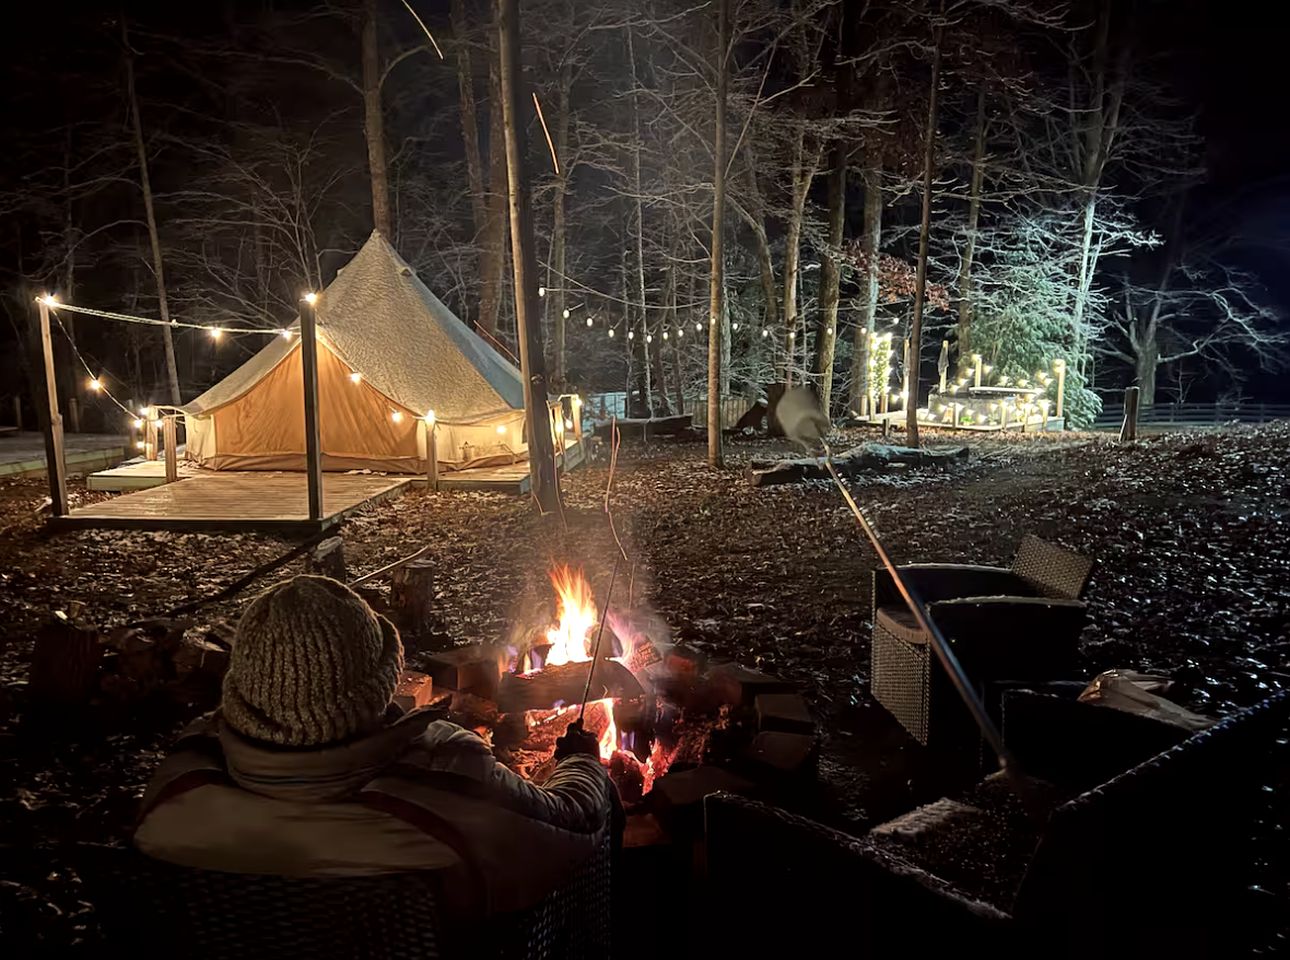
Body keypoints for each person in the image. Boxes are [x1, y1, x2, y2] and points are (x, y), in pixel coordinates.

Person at [133, 574, 615, 917]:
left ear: (246, 690)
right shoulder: (443, 785)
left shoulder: (176, 790)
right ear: (381, 684)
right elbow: (572, 824)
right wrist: (580, 764)